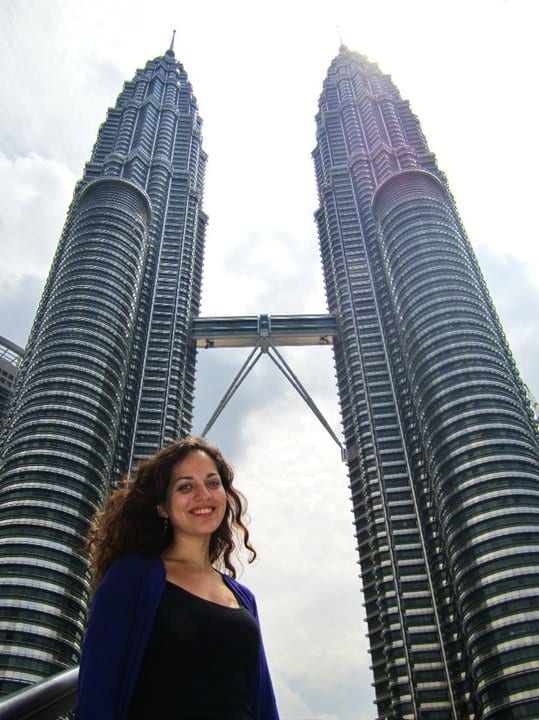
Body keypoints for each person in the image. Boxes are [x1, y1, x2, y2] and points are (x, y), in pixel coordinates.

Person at [76, 436, 280, 720]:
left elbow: (262, 700)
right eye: (186, 486)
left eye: (213, 483)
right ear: (162, 506)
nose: (203, 495)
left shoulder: (244, 597)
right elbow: (97, 692)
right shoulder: (132, 577)